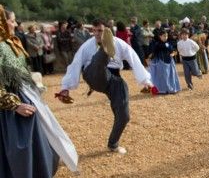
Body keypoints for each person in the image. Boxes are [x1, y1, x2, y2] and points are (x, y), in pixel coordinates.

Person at [0, 6, 78, 178]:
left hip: (23, 98)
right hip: (8, 111)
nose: (15, 24)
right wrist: (14, 105)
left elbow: (19, 73)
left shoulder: (10, 43)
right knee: (17, 152)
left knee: (41, 143)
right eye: (12, 20)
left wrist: (33, 87)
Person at [57, 19, 152, 154]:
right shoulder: (87, 45)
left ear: (107, 31)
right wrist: (66, 87)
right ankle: (104, 50)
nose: (96, 33)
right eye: (94, 30)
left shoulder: (120, 44)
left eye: (100, 30)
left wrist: (145, 81)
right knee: (98, 62)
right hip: (93, 74)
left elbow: (134, 59)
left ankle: (113, 143)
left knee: (124, 115)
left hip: (113, 78)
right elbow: (75, 64)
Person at [149, 29, 180, 94]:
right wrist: (151, 58)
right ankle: (163, 89)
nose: (165, 37)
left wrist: (173, 53)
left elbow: (173, 51)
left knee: (170, 75)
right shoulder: (157, 44)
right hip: (161, 62)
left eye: (166, 36)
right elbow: (154, 52)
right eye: (164, 36)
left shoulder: (169, 43)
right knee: (163, 76)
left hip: (169, 62)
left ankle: (171, 88)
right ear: (160, 36)